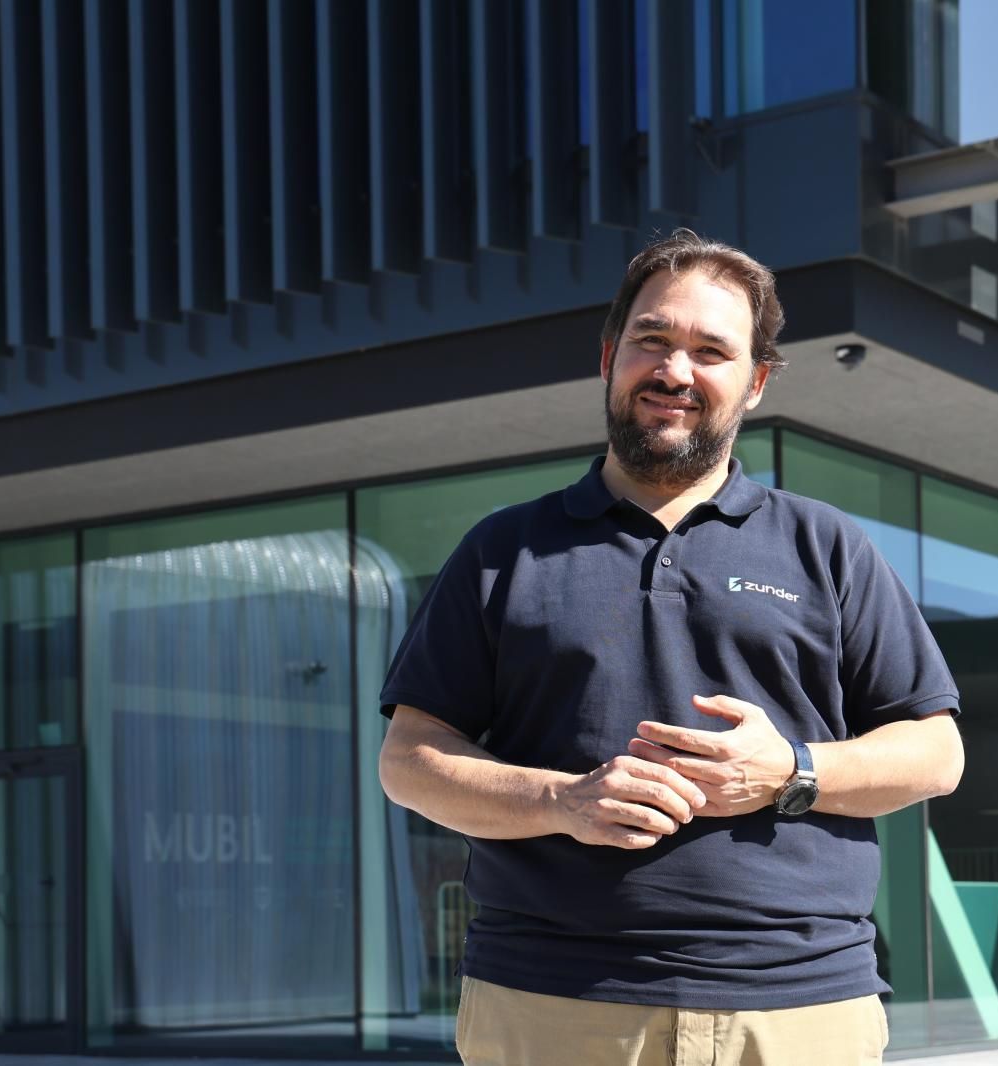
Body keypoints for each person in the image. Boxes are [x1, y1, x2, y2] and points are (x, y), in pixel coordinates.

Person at [378, 230, 963, 1066]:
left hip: (798, 1007)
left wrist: (790, 771)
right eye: (652, 340)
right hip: (550, 1005)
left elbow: (936, 753)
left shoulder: (827, 547)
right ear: (611, 357)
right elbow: (409, 761)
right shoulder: (503, 551)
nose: (675, 371)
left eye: (711, 351)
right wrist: (563, 801)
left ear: (754, 382)